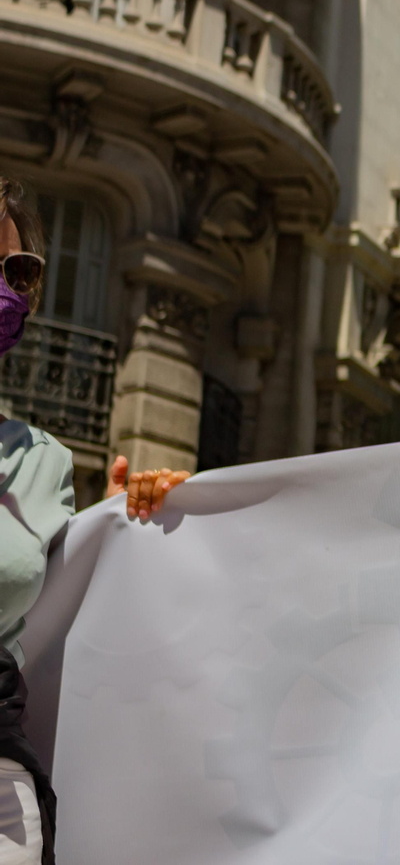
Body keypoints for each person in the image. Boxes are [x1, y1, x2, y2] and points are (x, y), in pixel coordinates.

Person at [0, 179, 187, 864]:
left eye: (17, 271)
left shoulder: (43, 462)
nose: (5, 289)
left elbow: (67, 629)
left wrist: (130, 525)